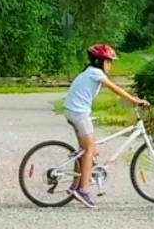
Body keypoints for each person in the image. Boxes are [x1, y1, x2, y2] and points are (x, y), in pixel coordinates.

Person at [62, 43, 147, 208]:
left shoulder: (89, 72)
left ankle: (75, 186)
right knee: (89, 150)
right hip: (79, 113)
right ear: (99, 61)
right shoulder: (95, 73)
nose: (110, 65)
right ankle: (83, 190)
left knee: (85, 150)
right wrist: (134, 100)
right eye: (108, 61)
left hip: (74, 111)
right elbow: (115, 89)